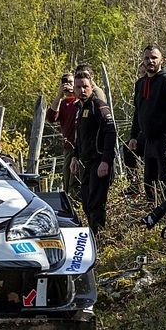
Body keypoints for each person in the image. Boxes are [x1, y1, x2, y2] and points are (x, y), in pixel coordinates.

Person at [128, 45, 166, 203]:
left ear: (162, 60)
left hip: (165, 139)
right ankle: (153, 214)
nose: (150, 61)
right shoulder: (140, 84)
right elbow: (138, 112)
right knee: (149, 183)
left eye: (154, 57)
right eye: (147, 58)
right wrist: (133, 137)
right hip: (148, 140)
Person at [68, 71, 117, 233]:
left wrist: (106, 161)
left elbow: (111, 131)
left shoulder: (99, 106)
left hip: (99, 161)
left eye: (85, 87)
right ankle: (94, 235)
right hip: (86, 163)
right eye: (78, 87)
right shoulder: (80, 108)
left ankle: (100, 237)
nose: (82, 90)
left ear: (91, 87)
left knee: (96, 204)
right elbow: (80, 137)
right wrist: (75, 157)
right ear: (74, 89)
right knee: (86, 202)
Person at [46, 73, 80, 192]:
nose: (68, 85)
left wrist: (75, 92)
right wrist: (59, 96)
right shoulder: (63, 104)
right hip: (69, 148)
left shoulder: (80, 101)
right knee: (67, 182)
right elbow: (51, 118)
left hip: (82, 146)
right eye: (64, 82)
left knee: (78, 182)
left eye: (71, 82)